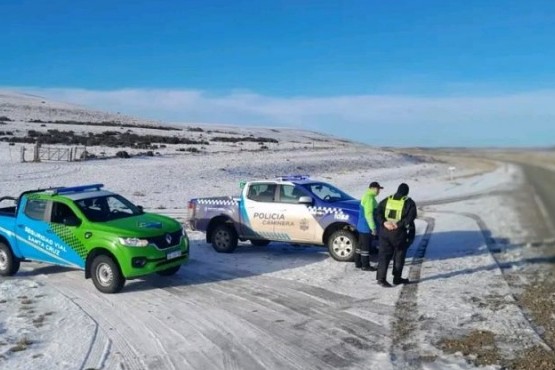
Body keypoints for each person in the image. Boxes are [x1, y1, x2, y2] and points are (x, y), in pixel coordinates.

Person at [375, 183, 417, 287]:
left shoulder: (387, 199)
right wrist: (398, 224)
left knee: (383, 256)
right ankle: (397, 278)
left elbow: (377, 212)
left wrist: (384, 222)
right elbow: (411, 217)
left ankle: (381, 279)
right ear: (407, 192)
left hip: (385, 231)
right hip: (399, 233)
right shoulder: (409, 202)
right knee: (399, 255)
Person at [354, 181, 383, 271]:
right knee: (365, 247)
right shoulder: (370, 198)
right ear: (373, 189)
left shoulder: (366, 195)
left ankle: (358, 262)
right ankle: (365, 265)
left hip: (361, 225)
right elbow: (369, 214)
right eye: (378, 189)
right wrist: (373, 228)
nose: (379, 191)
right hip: (366, 226)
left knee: (360, 245)